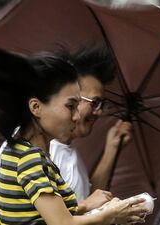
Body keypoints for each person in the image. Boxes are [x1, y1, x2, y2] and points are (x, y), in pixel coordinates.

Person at [0, 45, 147, 225]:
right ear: (36, 107)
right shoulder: (30, 160)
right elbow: (62, 223)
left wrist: (86, 206)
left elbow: (42, 214)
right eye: (71, 106)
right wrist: (110, 214)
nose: (77, 115)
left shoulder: (17, 151)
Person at [49, 46, 133, 213]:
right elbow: (54, 219)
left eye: (102, 105)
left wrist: (112, 148)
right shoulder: (38, 152)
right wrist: (111, 216)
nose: (99, 112)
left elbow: (89, 200)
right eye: (94, 103)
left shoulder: (68, 149)